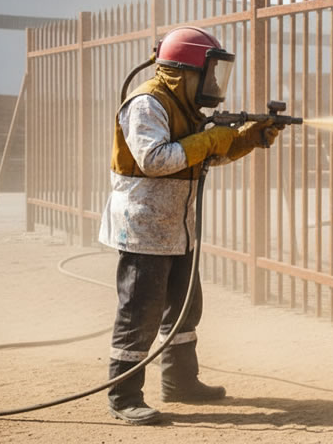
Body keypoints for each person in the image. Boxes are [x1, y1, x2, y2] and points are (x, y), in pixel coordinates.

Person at [98, 26, 281, 425]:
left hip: (177, 228)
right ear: (183, 71)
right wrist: (212, 139)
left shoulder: (184, 106)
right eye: (208, 72)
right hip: (144, 228)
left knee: (183, 307)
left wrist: (245, 139)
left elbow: (199, 158)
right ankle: (124, 394)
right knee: (140, 313)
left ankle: (180, 381)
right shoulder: (148, 103)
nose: (214, 82)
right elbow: (156, 160)